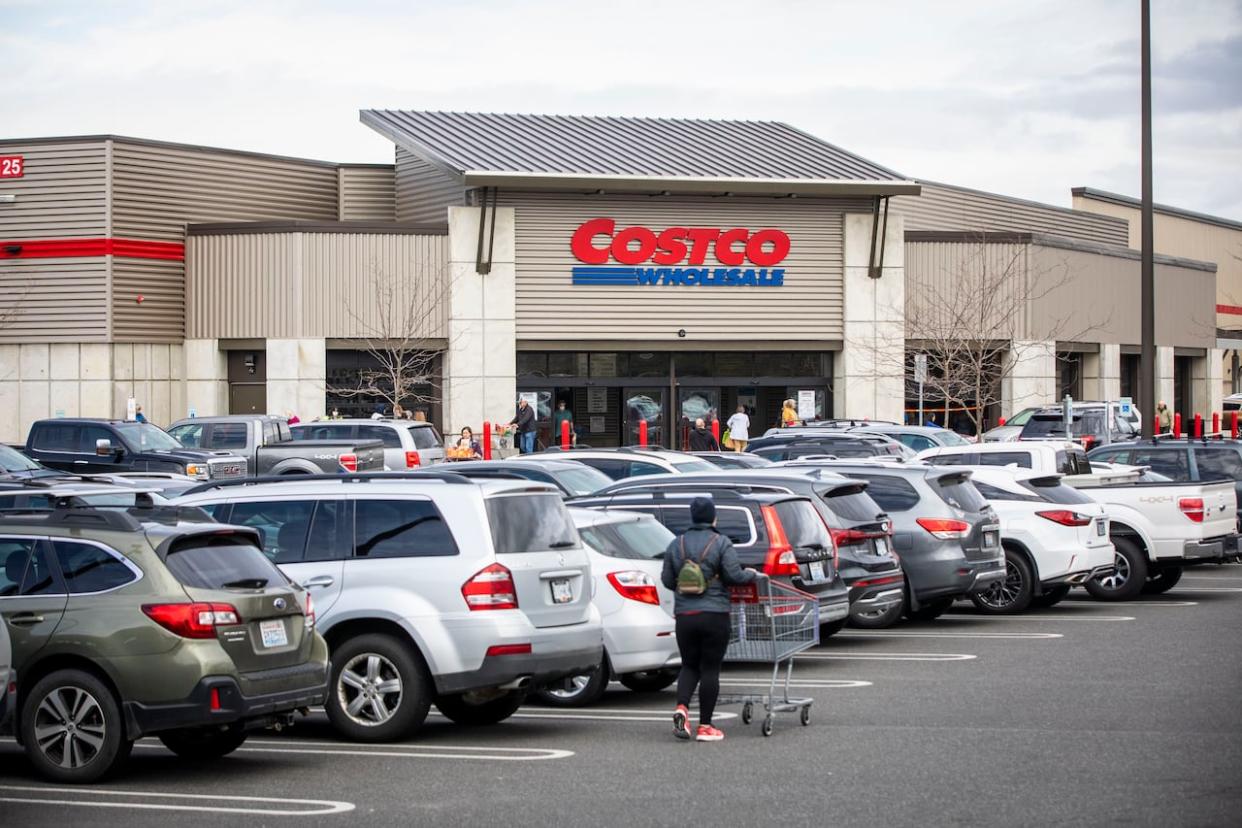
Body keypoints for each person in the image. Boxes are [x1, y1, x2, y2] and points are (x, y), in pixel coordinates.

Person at [661, 496, 761, 742]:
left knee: (689, 665)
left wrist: (685, 588)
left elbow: (666, 580)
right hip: (714, 615)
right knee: (710, 669)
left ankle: (682, 708)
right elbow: (734, 575)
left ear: (693, 517)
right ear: (713, 517)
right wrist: (753, 574)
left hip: (685, 616)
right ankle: (706, 726)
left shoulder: (677, 543)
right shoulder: (721, 542)